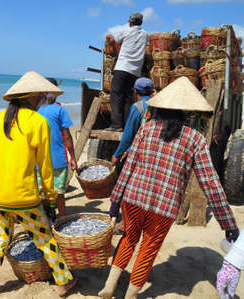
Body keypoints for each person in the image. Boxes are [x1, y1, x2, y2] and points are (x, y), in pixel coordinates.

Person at [98, 77, 239, 299]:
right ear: (188, 112)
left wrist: (115, 202)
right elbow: (210, 184)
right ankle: (131, 294)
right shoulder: (195, 139)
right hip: (164, 208)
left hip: (133, 198)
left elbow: (128, 167)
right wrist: (228, 224)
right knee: (149, 247)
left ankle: (109, 287)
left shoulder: (147, 129)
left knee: (128, 239)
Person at [0, 71, 77, 299]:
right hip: (25, 199)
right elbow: (45, 166)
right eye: (41, 95)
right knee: (45, 239)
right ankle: (63, 284)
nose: (42, 99)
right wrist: (50, 199)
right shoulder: (38, 122)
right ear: (34, 97)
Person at [37, 77, 77, 217]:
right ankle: (62, 218)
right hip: (58, 160)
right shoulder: (60, 110)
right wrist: (73, 157)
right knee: (59, 193)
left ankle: (43, 218)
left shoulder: (34, 110)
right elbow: (67, 137)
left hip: (38, 161)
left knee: (40, 193)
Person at [105, 12, 148, 132]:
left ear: (130, 22)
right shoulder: (145, 34)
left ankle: (116, 125)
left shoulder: (126, 30)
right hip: (135, 71)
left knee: (116, 94)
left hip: (123, 67)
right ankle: (126, 126)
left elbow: (115, 40)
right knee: (128, 97)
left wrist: (109, 37)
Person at [111, 77, 154, 166]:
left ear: (135, 91)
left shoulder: (138, 107)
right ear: (152, 91)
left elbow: (128, 134)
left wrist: (117, 154)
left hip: (142, 149)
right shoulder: (157, 104)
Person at [217, 230, 244, 299]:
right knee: (231, 291)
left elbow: (233, 235)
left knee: (220, 288)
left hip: (225, 271)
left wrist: (229, 237)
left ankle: (224, 296)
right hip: (236, 273)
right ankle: (227, 296)